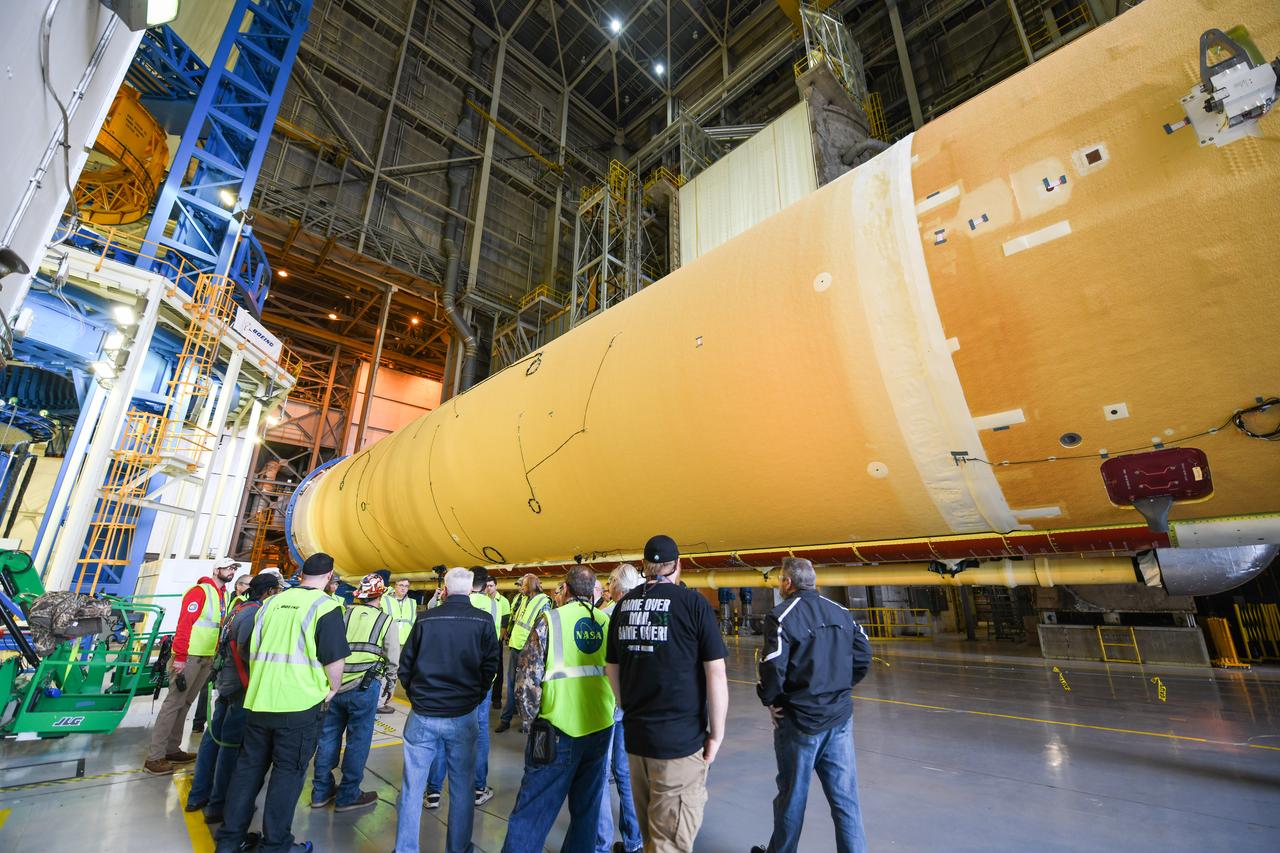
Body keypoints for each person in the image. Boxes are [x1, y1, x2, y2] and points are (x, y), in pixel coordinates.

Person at [214, 553, 350, 853]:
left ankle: (229, 840)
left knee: (247, 772)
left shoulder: (271, 604)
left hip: (260, 702)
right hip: (298, 706)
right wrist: (332, 689)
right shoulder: (325, 607)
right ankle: (275, 845)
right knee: (287, 775)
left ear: (301, 574)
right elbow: (334, 660)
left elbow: (252, 648)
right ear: (329, 578)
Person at [606, 535, 728, 853]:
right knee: (669, 843)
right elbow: (715, 673)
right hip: (678, 745)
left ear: (645, 566)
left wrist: (627, 708)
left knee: (651, 836)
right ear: (678, 565)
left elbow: (612, 669)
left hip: (636, 742)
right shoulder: (693, 604)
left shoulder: (622, 606)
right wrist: (716, 734)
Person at [751, 558, 872, 853]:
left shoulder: (781, 616)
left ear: (787, 583)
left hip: (799, 723)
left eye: (780, 580)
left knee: (792, 799)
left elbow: (772, 667)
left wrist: (770, 700)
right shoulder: (842, 612)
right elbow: (863, 655)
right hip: (839, 720)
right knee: (846, 801)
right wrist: (841, 690)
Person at [502, 566, 615, 851]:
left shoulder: (550, 621)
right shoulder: (607, 622)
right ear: (593, 592)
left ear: (565, 589)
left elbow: (526, 680)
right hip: (600, 729)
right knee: (586, 814)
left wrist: (530, 724)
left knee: (532, 812)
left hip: (556, 732)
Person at [395, 567, 499, 853]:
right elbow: (491, 667)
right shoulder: (483, 620)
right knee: (462, 789)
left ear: (445, 588)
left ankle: (405, 849)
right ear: (470, 590)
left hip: (424, 714)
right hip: (462, 715)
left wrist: (418, 697)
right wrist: (474, 698)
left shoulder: (426, 619)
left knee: (411, 787)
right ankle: (458, 848)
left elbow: (406, 666)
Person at [187, 572, 282, 825]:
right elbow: (245, 649)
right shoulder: (253, 614)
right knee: (230, 745)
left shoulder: (237, 609)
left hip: (225, 681)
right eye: (277, 590)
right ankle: (218, 804)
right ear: (269, 591)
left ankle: (198, 795)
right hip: (240, 685)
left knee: (212, 738)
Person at [311, 573, 400, 812]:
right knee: (358, 740)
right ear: (381, 594)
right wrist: (390, 686)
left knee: (328, 736)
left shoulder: (342, 614)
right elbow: (392, 658)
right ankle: (348, 794)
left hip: (335, 685)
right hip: (364, 687)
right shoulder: (386, 621)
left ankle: (320, 791)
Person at [144, 558, 238, 774]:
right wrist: (180, 656)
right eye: (228, 567)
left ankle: (172, 749)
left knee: (185, 702)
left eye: (234, 568)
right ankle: (155, 757)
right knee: (173, 703)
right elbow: (185, 623)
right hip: (189, 656)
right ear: (217, 569)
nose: (231, 571)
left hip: (205, 656)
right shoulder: (200, 591)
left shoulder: (222, 595)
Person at [424, 567, 500, 809]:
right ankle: (478, 788)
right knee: (479, 732)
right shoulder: (492, 606)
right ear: (484, 583)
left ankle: (433, 791)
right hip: (478, 680)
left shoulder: (446, 605)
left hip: (447, 677)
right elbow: (493, 646)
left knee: (441, 733)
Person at [596, 564, 644, 853]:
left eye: (610, 581)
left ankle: (601, 843)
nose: (607, 586)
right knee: (626, 773)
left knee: (601, 774)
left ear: (617, 586)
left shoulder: (607, 615)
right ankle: (634, 840)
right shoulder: (642, 613)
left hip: (609, 704)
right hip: (632, 704)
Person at [496, 574, 550, 733]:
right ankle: (506, 719)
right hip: (516, 647)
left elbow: (542, 628)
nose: (521, 588)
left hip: (530, 652)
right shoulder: (523, 599)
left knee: (528, 687)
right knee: (513, 684)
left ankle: (528, 721)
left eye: (524, 585)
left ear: (531, 585)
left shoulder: (544, 601)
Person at [380, 577, 416, 713]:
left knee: (398, 672)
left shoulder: (412, 602)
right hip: (389, 640)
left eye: (406, 586)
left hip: (405, 642)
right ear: (395, 586)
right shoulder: (385, 599)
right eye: (401, 585)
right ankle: (380, 701)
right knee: (386, 670)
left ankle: (387, 699)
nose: (403, 588)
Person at [486, 577, 511, 707]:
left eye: (491, 585)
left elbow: (504, 624)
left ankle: (496, 698)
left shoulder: (503, 601)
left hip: (496, 641)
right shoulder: (484, 599)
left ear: (496, 586)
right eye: (487, 586)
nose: (489, 588)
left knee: (498, 669)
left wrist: (498, 640)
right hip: (484, 640)